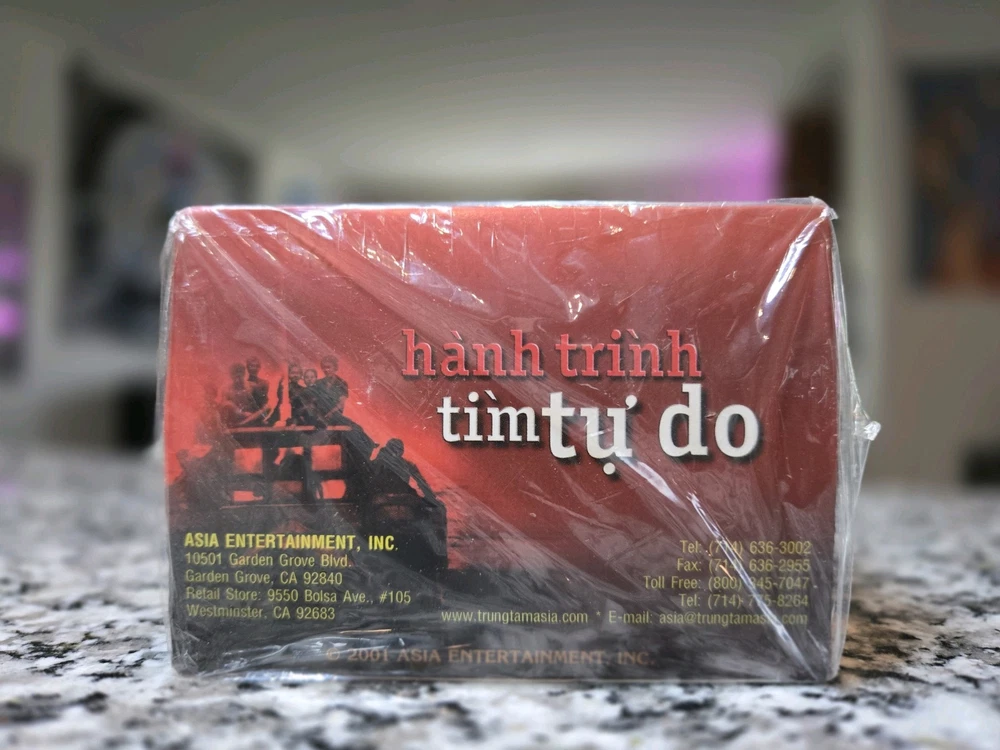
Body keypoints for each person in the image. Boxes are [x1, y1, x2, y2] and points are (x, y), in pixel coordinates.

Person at [316, 355, 349, 424]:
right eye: (324, 367)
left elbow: (341, 404)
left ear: (335, 367)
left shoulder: (342, 383)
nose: (326, 370)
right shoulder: (318, 383)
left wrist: (330, 414)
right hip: (319, 419)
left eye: (328, 367)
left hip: (335, 419)